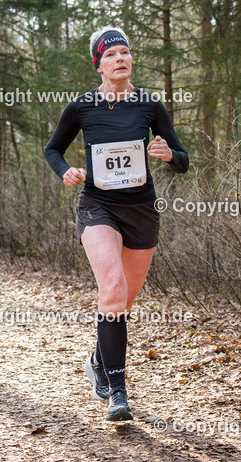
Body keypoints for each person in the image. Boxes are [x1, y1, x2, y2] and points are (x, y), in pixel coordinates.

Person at [44, 26, 189, 422]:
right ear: (99, 64)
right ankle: (117, 392)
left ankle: (97, 358)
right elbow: (53, 148)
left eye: (125, 52)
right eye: (110, 54)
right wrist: (65, 172)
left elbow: (183, 159)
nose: (120, 58)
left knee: (122, 302)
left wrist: (166, 153)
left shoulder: (149, 106)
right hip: (97, 206)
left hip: (141, 209)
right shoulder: (81, 107)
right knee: (111, 287)